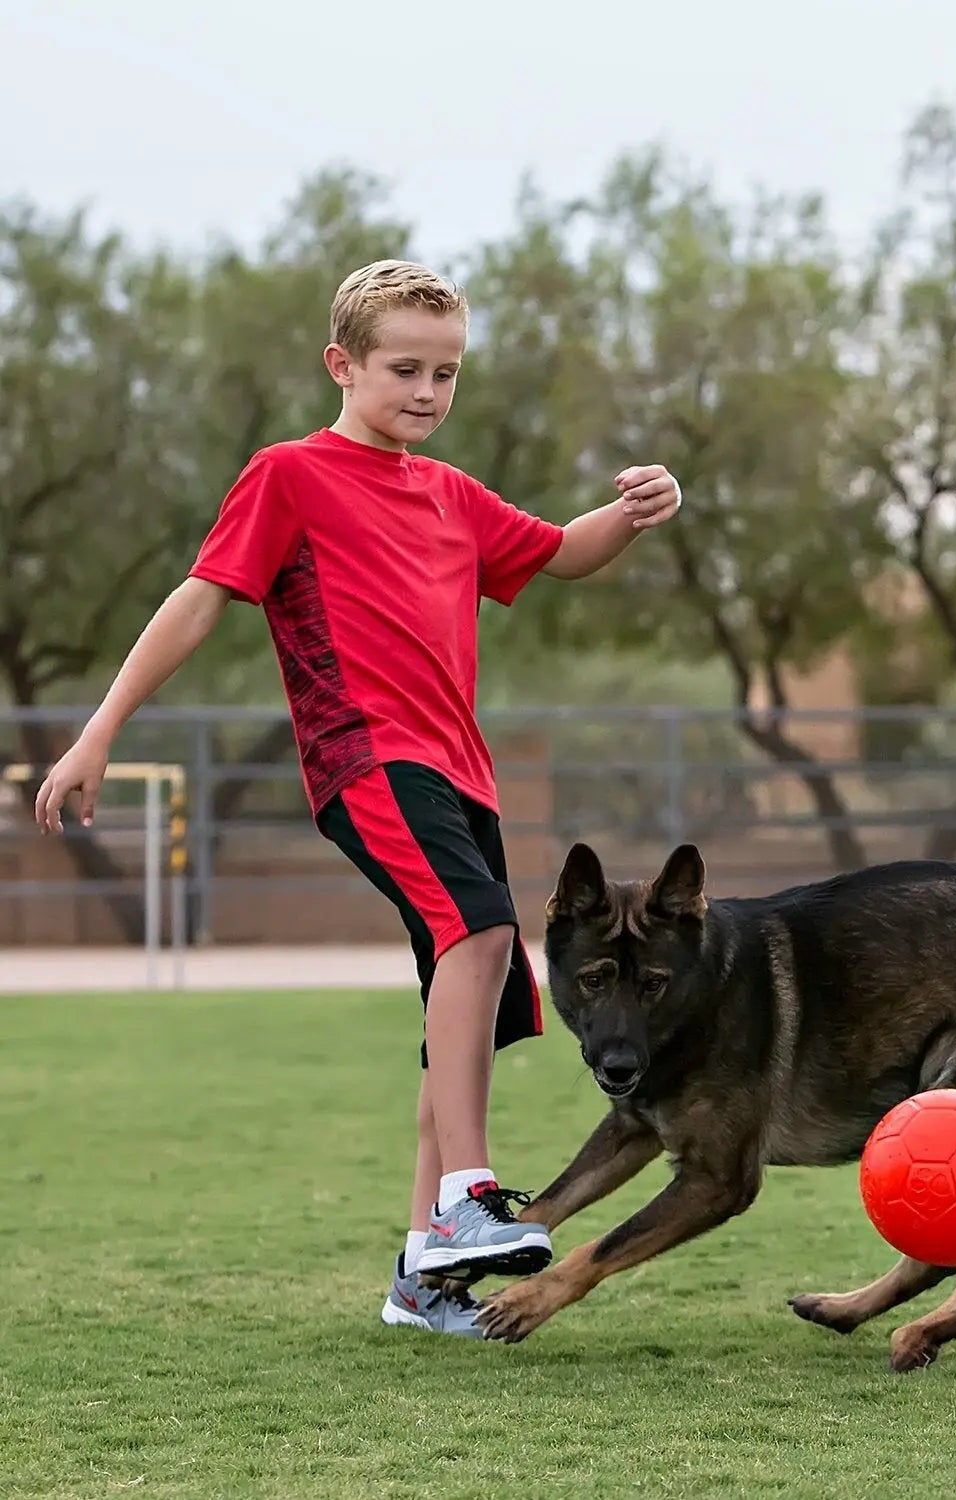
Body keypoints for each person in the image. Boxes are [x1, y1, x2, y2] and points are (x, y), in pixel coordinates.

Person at [34, 258, 683, 1338]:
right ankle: (468, 1200)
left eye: (448, 373)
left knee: (463, 990)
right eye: (405, 370)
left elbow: (562, 555)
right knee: (479, 934)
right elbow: (199, 603)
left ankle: (423, 1282)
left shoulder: (451, 493)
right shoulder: (289, 474)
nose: (428, 392)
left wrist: (633, 512)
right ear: (343, 364)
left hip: (460, 772)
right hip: (368, 761)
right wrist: (100, 730)